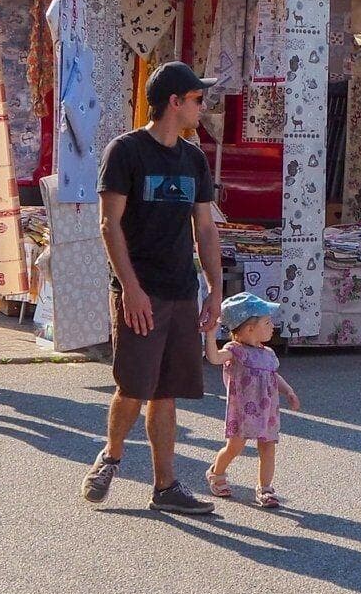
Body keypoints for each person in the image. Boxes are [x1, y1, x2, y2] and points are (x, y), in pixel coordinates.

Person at [82, 62, 223, 515]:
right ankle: (112, 455)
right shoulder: (125, 151)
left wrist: (215, 289)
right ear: (174, 102)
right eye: (198, 99)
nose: (203, 106)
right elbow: (109, 224)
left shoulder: (194, 158)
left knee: (166, 391)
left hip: (181, 289)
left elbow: (205, 227)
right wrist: (130, 288)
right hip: (140, 290)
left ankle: (166, 487)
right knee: (134, 387)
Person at [204, 292, 301, 507]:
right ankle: (216, 473)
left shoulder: (267, 353)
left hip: (267, 410)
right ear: (249, 329)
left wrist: (288, 391)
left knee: (267, 447)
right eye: (267, 322)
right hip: (243, 411)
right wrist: (210, 336)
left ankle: (265, 487)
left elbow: (274, 376)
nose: (272, 326)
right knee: (234, 447)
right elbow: (214, 358)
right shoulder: (235, 351)